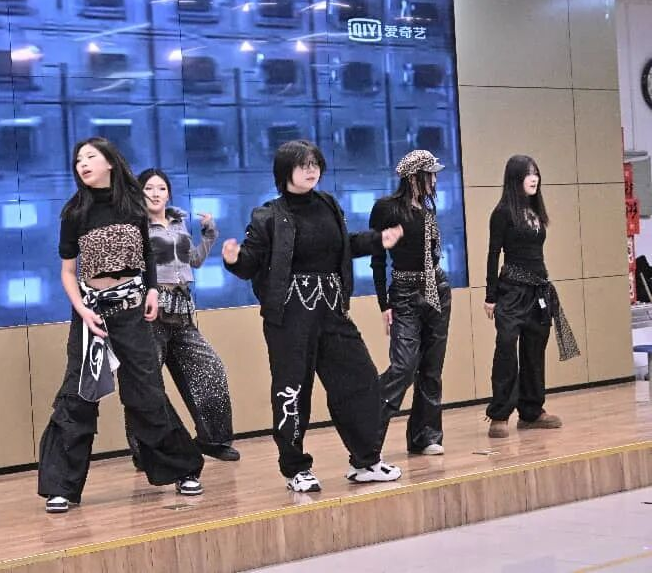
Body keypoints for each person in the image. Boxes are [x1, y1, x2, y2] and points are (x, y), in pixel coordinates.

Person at [222, 139, 404, 492]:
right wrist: (233, 259)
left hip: (332, 310)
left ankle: (365, 461)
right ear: (285, 171)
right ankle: (295, 468)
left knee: (361, 380)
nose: (311, 170)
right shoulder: (267, 215)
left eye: (315, 164)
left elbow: (344, 245)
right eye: (303, 165)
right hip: (290, 317)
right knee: (292, 391)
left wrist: (377, 240)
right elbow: (250, 263)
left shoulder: (328, 204)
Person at [37, 138, 205, 513]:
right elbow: (68, 272)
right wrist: (82, 311)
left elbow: (147, 254)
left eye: (90, 157)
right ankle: (61, 487)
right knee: (79, 396)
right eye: (78, 159)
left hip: (132, 310)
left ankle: (182, 469)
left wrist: (152, 290)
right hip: (92, 314)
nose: (82, 164)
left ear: (110, 163)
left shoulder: (132, 206)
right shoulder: (74, 212)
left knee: (146, 391)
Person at [124, 167, 238, 467]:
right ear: (139, 193)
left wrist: (209, 233)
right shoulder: (135, 226)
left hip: (182, 309)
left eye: (161, 188)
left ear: (169, 194)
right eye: (149, 188)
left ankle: (214, 440)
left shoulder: (179, 222)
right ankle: (144, 452)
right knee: (146, 384)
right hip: (150, 311)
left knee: (210, 369)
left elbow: (195, 261)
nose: (155, 194)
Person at [483, 155, 580, 438]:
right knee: (506, 347)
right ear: (515, 178)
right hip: (511, 291)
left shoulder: (535, 211)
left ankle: (531, 411)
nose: (534, 178)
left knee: (534, 350)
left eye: (536, 172)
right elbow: (493, 254)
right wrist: (491, 296)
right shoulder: (502, 213)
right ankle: (499, 414)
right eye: (528, 173)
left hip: (538, 291)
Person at [370, 150, 452, 455]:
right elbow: (377, 259)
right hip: (404, 291)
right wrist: (383, 304)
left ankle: (426, 436)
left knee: (431, 368)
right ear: (415, 177)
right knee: (404, 366)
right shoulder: (386, 208)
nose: (435, 180)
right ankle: (367, 429)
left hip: (437, 288)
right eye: (431, 174)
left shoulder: (428, 210)